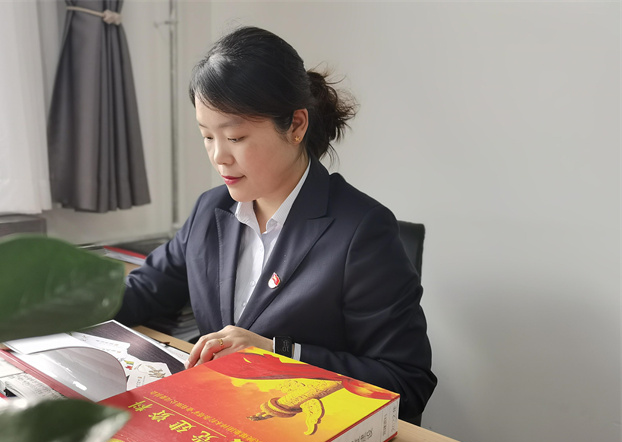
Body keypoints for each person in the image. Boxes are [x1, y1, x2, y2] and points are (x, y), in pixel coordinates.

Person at [116, 26, 436, 421]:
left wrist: (277, 353)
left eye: (235, 137)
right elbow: (145, 291)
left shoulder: (362, 231)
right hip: (219, 417)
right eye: (207, 136)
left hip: (302, 430)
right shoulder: (211, 210)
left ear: (297, 125)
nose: (219, 157)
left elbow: (407, 384)